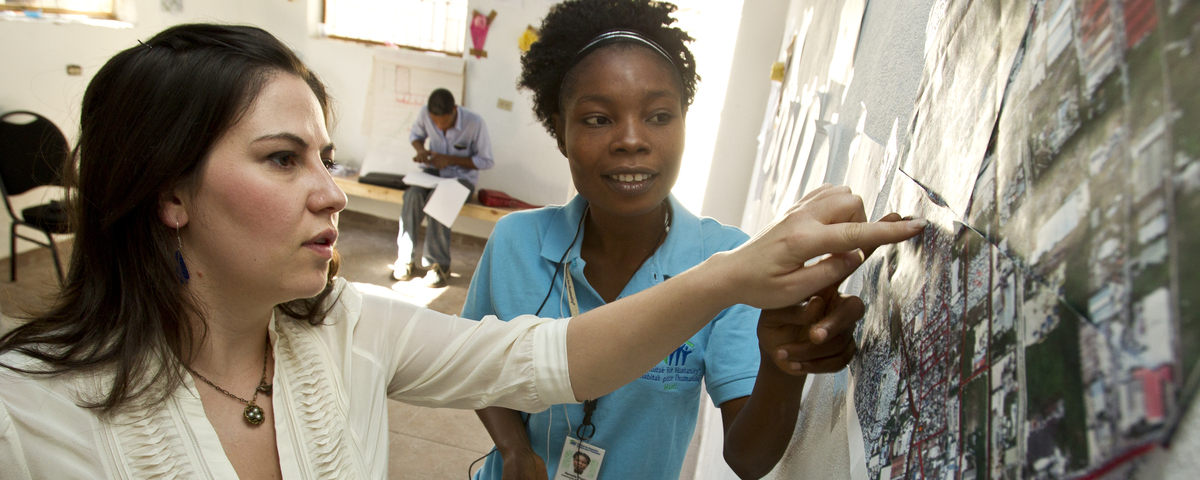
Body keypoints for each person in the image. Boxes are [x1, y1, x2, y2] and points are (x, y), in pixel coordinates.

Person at [0, 24, 921, 480]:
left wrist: (733, 278)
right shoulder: (28, 412)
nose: (329, 188)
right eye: (284, 160)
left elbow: (539, 358)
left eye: (325, 155)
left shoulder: (347, 329)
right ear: (166, 191)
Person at [463, 1, 912, 479]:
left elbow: (748, 460)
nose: (632, 140)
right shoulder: (516, 241)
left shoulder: (732, 263)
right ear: (559, 130)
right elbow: (476, 359)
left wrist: (780, 367)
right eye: (598, 119)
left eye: (659, 116)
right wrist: (514, 449)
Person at [393, 88, 494, 287]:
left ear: (455, 110)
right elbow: (416, 135)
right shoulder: (424, 113)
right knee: (412, 195)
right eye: (435, 122)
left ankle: (438, 265)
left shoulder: (475, 123)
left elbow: (486, 161)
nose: (439, 125)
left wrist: (450, 160)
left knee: (442, 199)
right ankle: (405, 259)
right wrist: (421, 150)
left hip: (462, 178)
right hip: (433, 173)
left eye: (444, 122)